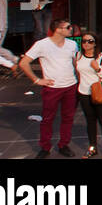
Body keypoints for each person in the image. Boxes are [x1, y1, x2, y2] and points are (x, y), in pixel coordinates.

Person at [20, 18, 79, 158]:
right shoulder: (42, 44)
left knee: (68, 117)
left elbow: (76, 63)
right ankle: (45, 147)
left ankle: (64, 144)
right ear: (58, 29)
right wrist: (37, 80)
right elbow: (24, 63)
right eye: (68, 27)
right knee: (47, 118)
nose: (71, 29)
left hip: (70, 85)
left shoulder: (72, 44)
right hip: (52, 87)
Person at [74, 32, 102, 158]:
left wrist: (98, 69)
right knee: (90, 121)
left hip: (99, 93)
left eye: (90, 41)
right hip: (84, 92)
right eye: (84, 41)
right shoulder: (78, 55)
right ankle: (92, 147)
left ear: (95, 43)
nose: (86, 44)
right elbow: (78, 72)